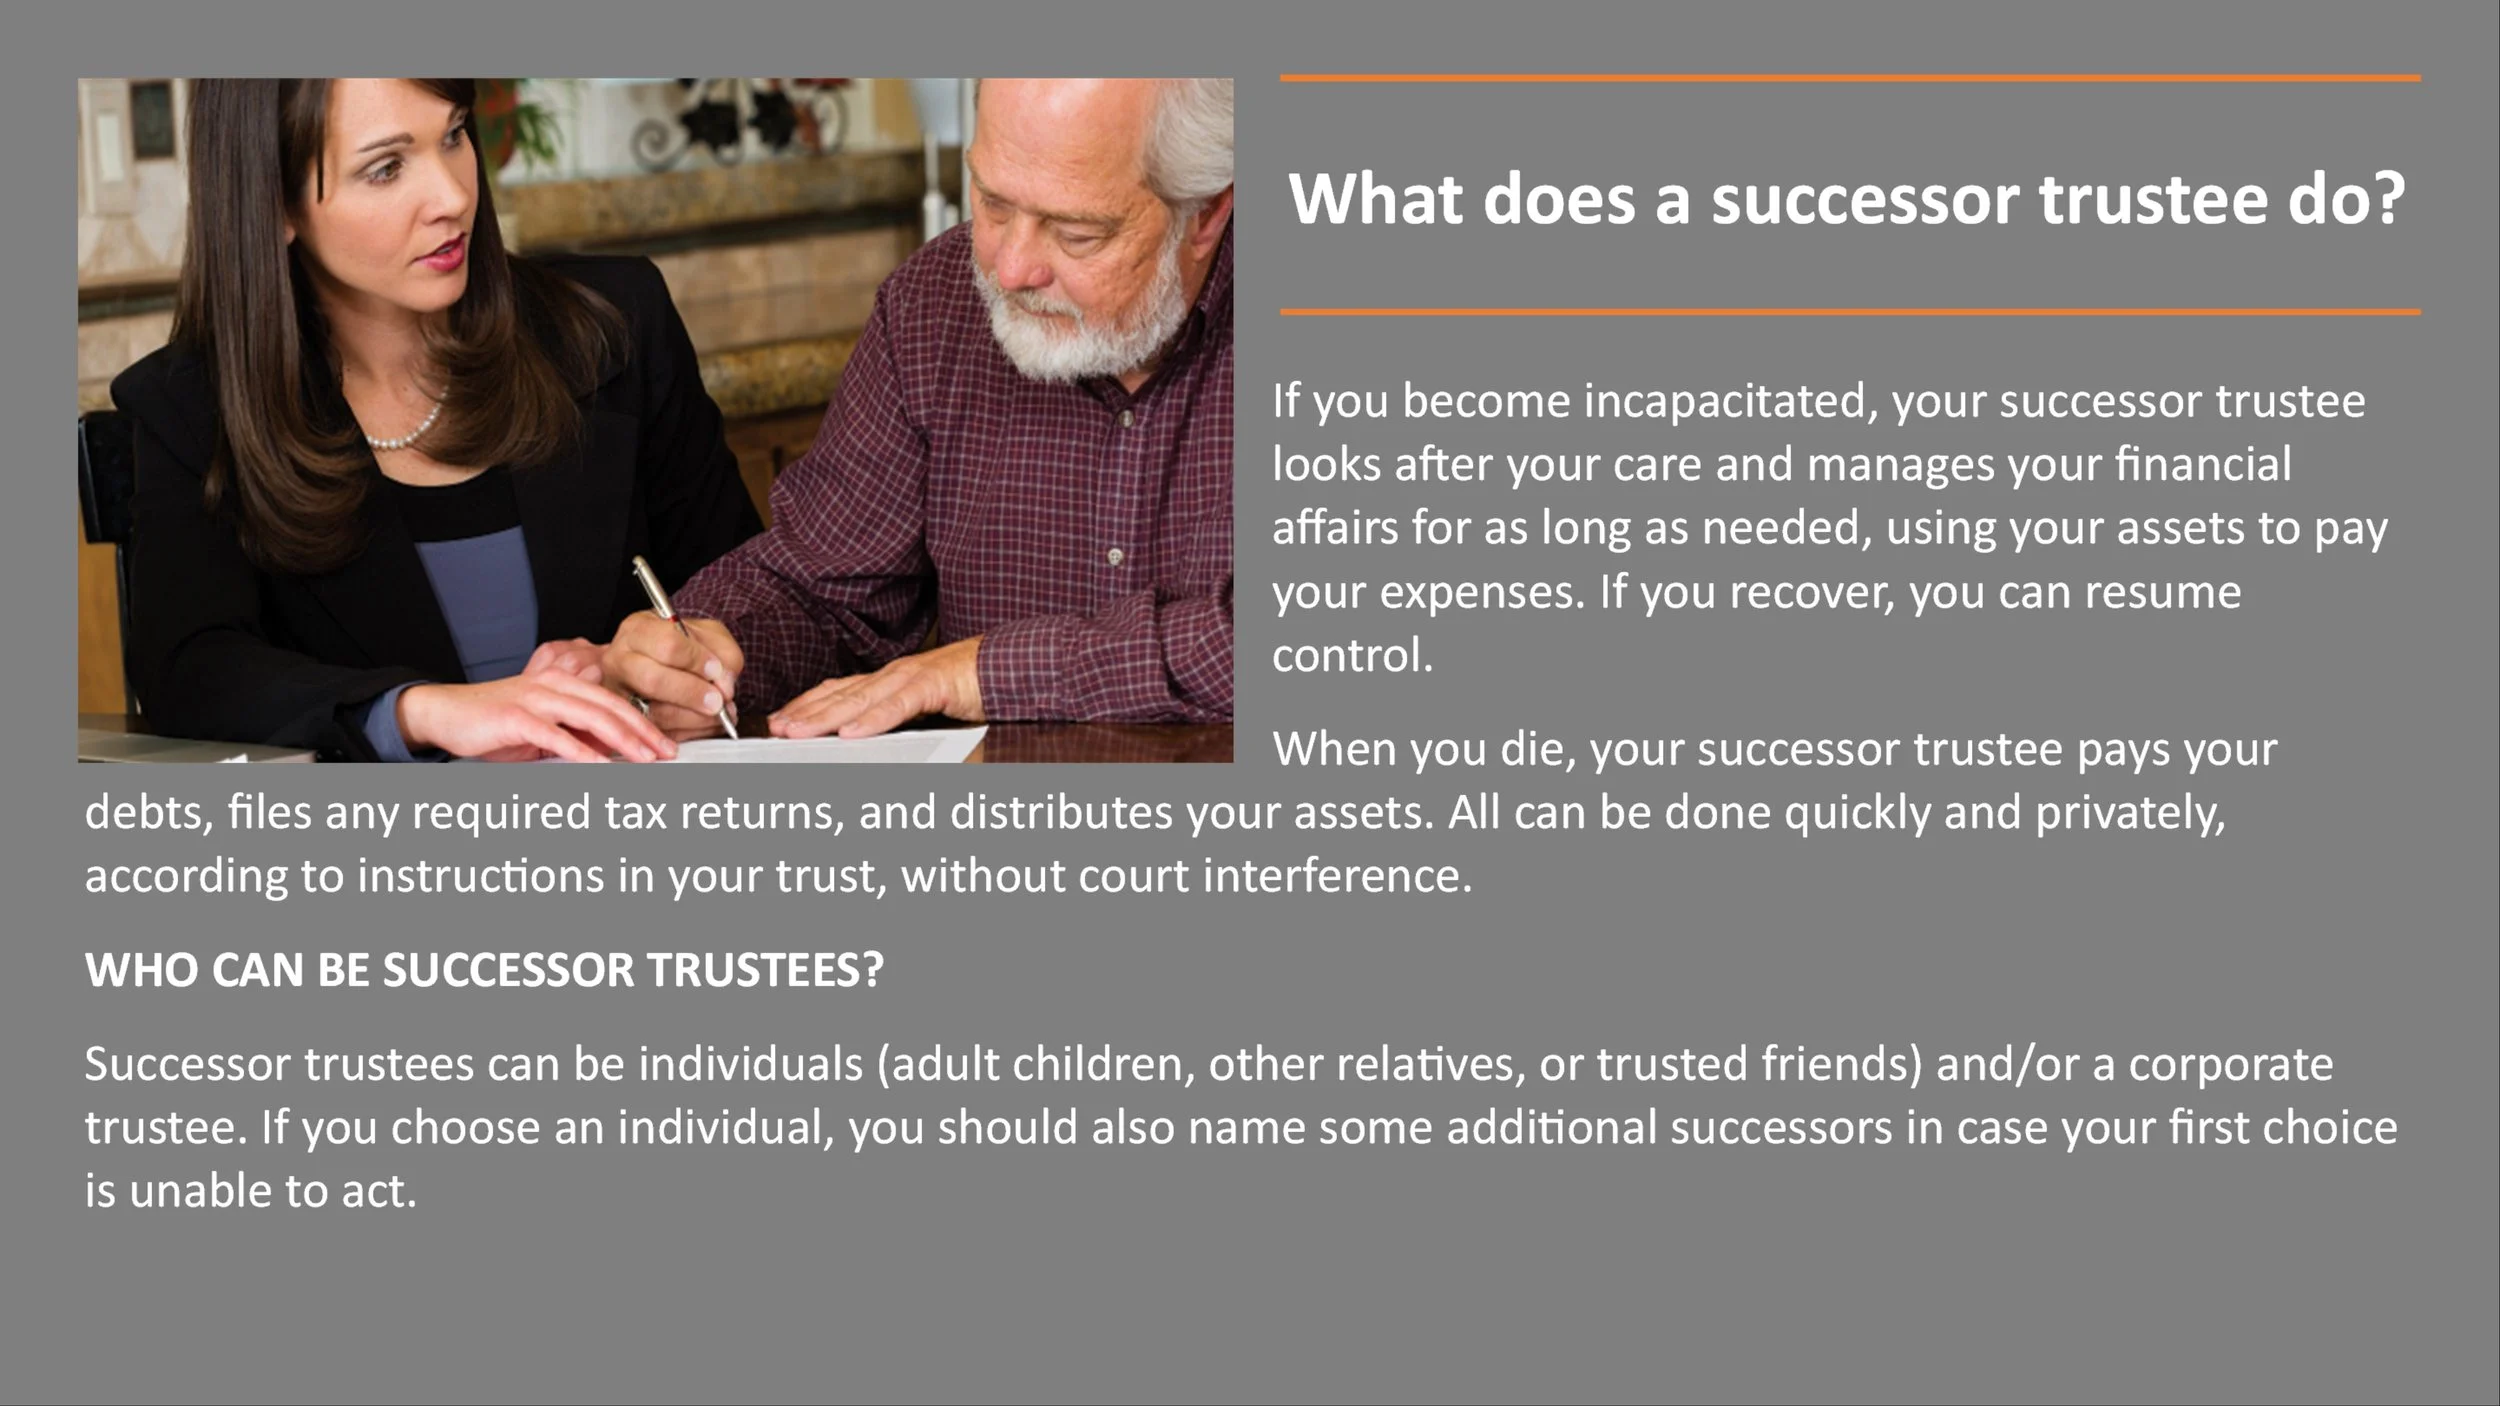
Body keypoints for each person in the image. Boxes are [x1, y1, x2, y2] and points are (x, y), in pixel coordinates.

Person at [114, 78, 760, 761]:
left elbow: (750, 594)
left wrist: (679, 672)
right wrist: (418, 713)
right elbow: (191, 675)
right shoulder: (190, 407)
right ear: (275, 203)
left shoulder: (616, 326)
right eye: (385, 168)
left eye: (453, 136)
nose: (452, 197)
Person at [604, 78, 1233, 742]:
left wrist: (979, 673)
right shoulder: (933, 305)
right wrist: (702, 657)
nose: (1010, 270)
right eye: (992, 203)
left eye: (1076, 234)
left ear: (1206, 215)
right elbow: (824, 591)